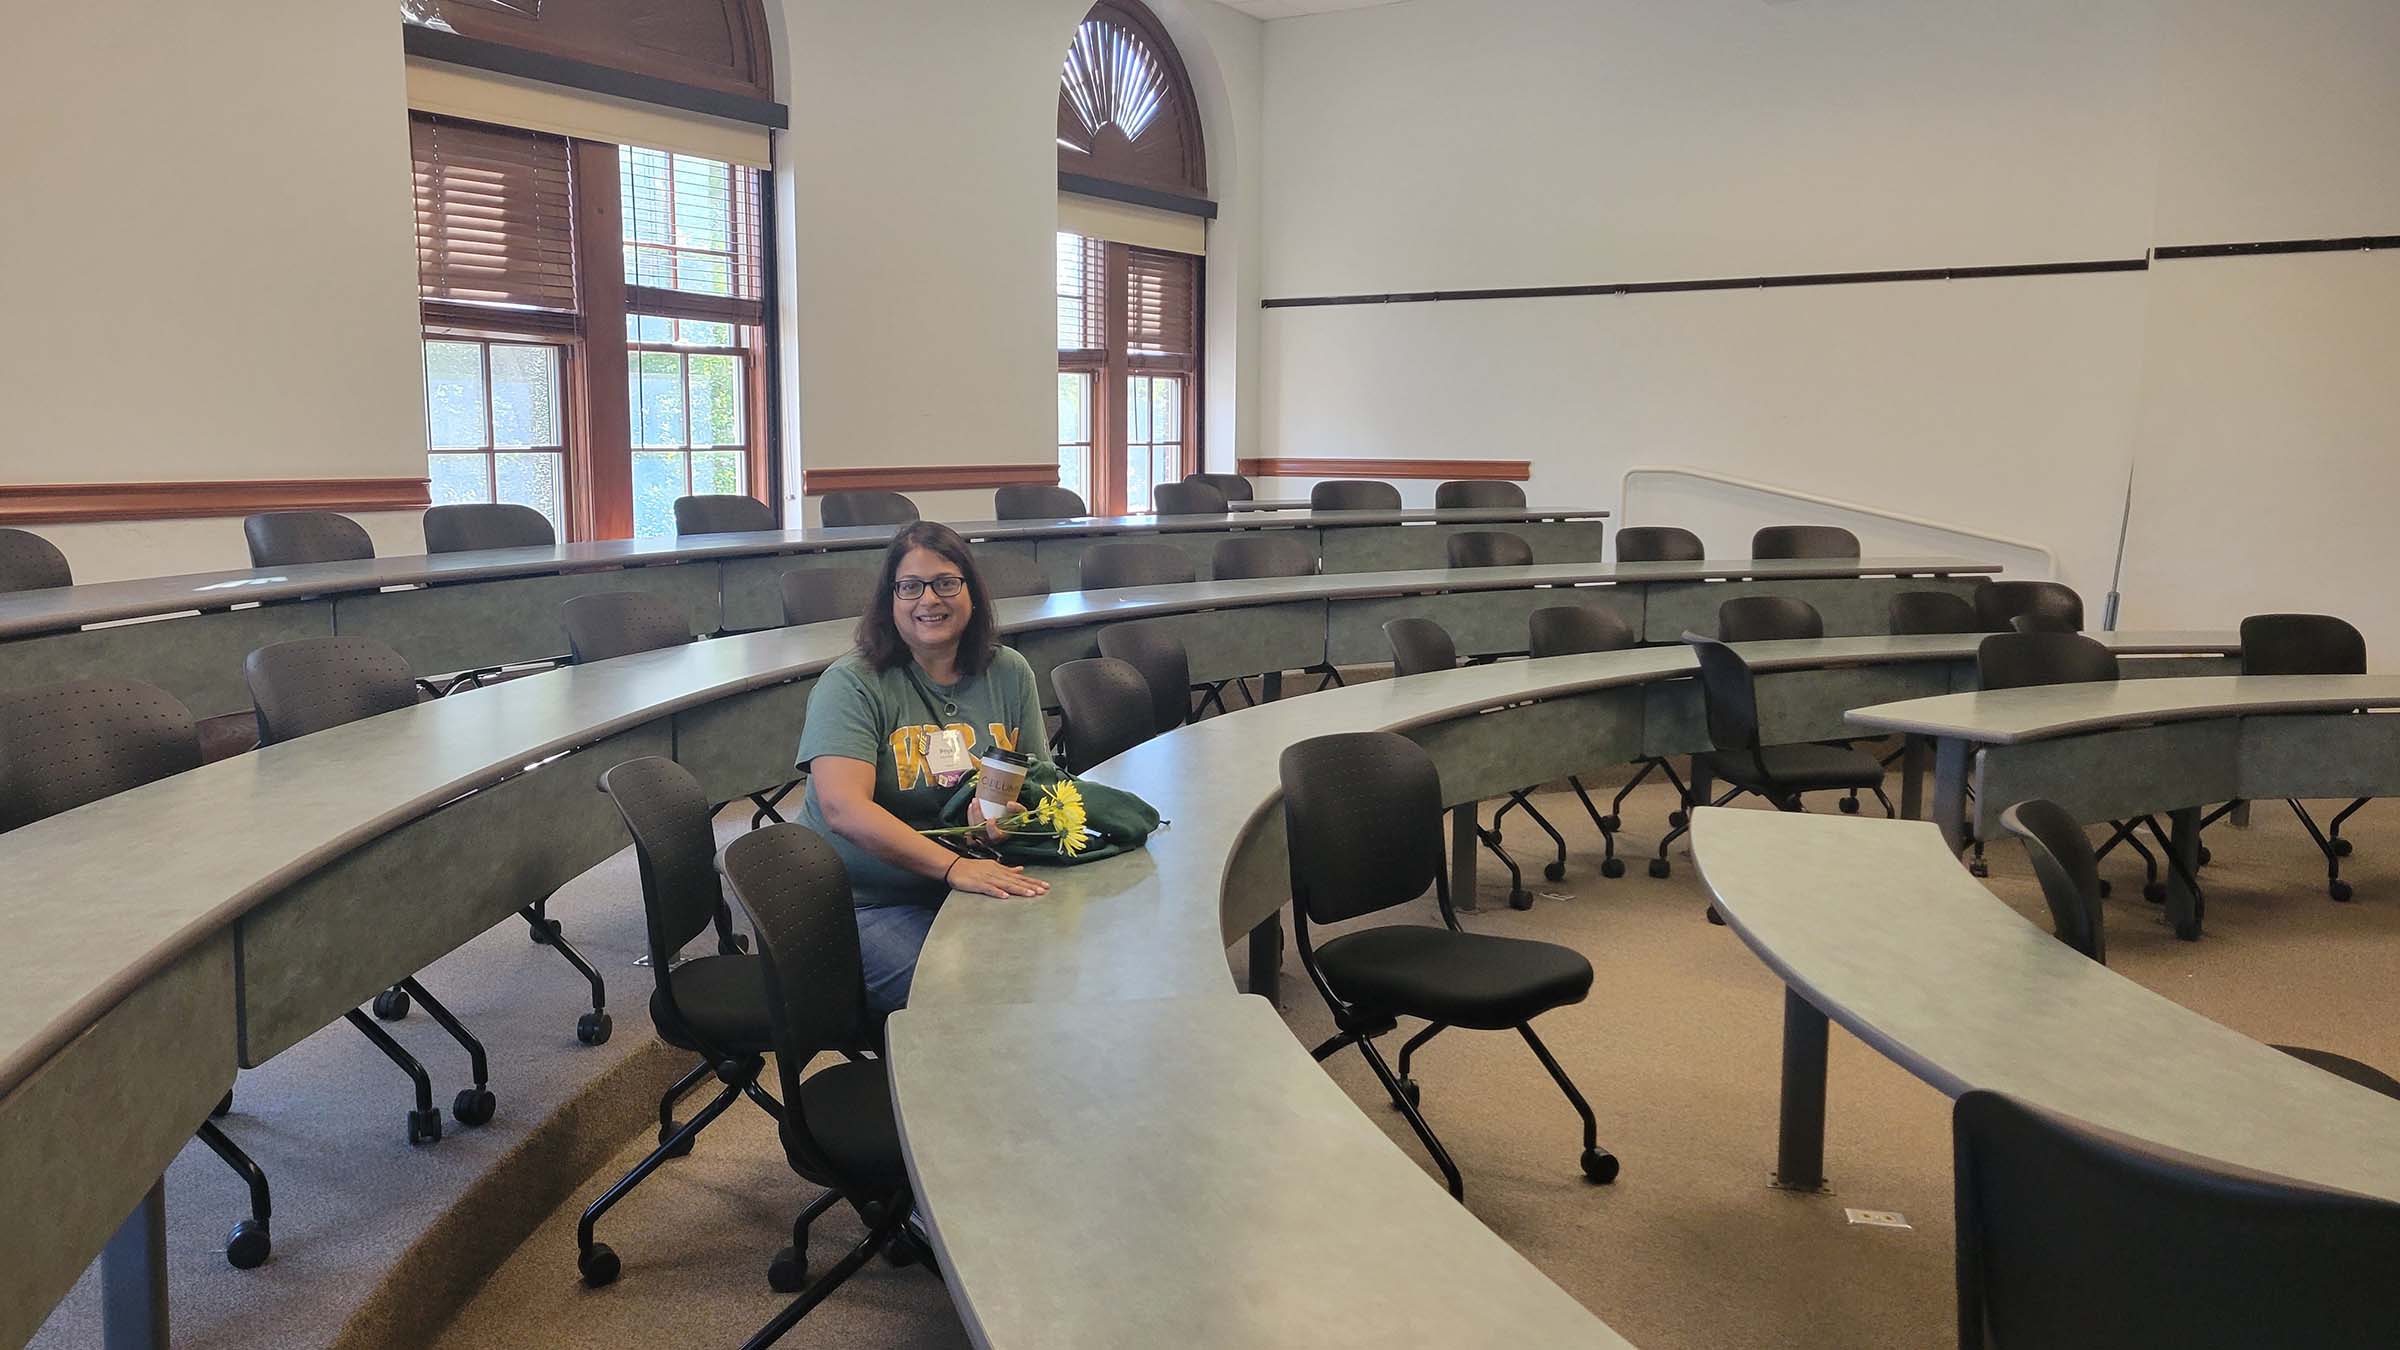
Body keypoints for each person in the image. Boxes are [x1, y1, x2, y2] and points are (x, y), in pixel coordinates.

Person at [794, 521, 1052, 1011]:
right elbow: (843, 808)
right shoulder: (852, 684)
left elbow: (1035, 785)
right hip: (865, 899)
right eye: (909, 587)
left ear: (971, 593)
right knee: (968, 996)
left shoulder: (1009, 673)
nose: (928, 600)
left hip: (968, 878)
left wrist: (999, 822)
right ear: (889, 600)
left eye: (946, 583)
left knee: (1060, 963)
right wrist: (953, 866)